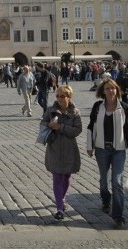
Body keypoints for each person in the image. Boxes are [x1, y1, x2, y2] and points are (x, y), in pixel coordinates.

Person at [86, 78, 128, 229]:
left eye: (113, 88)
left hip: (119, 150)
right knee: (104, 181)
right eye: (107, 88)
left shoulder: (125, 108)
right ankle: (105, 200)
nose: (110, 91)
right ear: (103, 91)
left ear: (117, 90)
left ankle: (118, 215)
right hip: (101, 149)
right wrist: (90, 146)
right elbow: (91, 127)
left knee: (117, 182)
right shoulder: (97, 107)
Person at [41, 84, 82, 221]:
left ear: (69, 97)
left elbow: (77, 130)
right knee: (57, 176)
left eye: (62, 96)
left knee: (66, 176)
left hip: (70, 148)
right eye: (57, 96)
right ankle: (59, 208)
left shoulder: (75, 112)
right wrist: (49, 125)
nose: (59, 98)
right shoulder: (51, 110)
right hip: (55, 147)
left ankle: (63, 197)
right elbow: (42, 123)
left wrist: (61, 127)